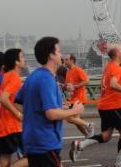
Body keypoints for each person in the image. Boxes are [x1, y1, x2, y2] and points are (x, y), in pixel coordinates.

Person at [18, 37, 84, 167]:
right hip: (45, 142)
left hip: (32, 140)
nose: (61, 55)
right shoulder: (47, 78)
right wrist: (74, 110)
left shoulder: (33, 76)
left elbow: (17, 103)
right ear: (51, 55)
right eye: (58, 51)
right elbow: (51, 114)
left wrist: (33, 116)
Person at [70, 44, 121, 167]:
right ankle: (119, 163)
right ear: (117, 53)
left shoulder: (108, 66)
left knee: (106, 136)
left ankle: (80, 145)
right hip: (114, 106)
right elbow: (113, 84)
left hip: (103, 105)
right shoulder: (117, 68)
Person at [64, 54, 94, 137]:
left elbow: (87, 81)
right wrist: (64, 86)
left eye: (66, 60)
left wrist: (76, 86)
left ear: (72, 60)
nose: (65, 62)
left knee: (71, 118)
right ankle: (88, 135)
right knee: (76, 120)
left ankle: (89, 126)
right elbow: (68, 85)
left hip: (80, 98)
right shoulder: (68, 72)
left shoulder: (78, 70)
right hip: (73, 98)